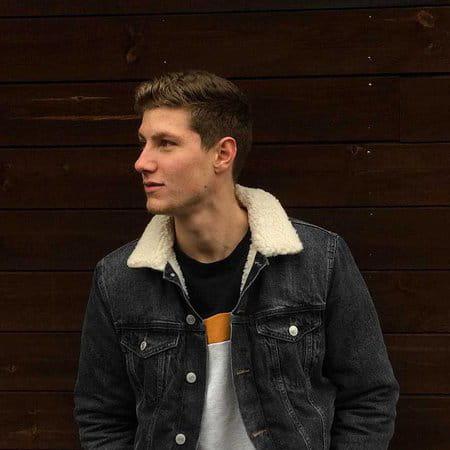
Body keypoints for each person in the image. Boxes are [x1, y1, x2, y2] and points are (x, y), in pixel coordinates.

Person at [73, 69, 400, 450]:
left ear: (222, 154)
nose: (142, 162)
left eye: (165, 144)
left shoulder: (318, 260)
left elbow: (370, 397)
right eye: (144, 143)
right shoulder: (119, 278)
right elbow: (101, 416)